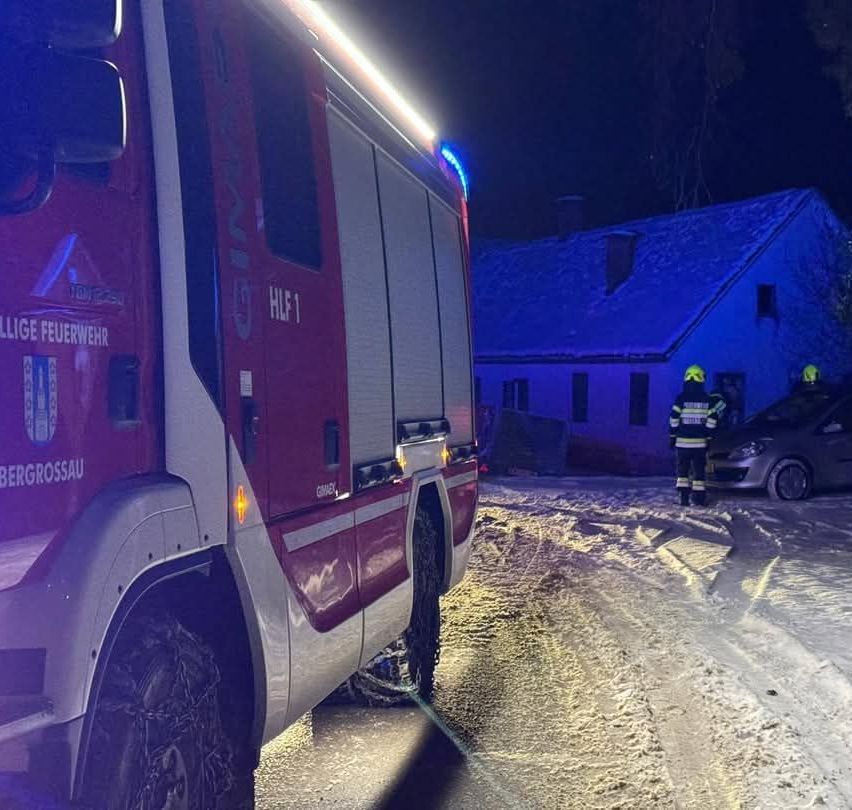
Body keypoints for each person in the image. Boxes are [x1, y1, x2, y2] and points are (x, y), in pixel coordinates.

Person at [669, 365, 717, 506]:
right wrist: (708, 437)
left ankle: (684, 499)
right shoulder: (707, 399)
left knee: (682, 472)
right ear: (701, 379)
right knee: (699, 473)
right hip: (700, 444)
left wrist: (672, 436)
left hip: (682, 443)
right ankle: (699, 500)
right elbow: (712, 420)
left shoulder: (681, 398)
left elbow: (673, 419)